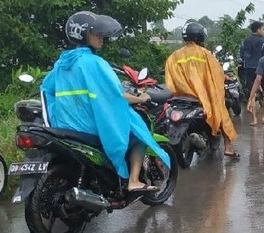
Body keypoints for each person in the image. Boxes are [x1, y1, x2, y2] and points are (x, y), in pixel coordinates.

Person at [41, 11, 171, 193]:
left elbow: (46, 90)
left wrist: (54, 119)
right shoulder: (95, 63)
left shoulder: (61, 65)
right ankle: (133, 181)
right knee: (138, 135)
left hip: (65, 127)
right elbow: (116, 96)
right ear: (85, 34)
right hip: (90, 126)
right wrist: (140, 98)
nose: (101, 37)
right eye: (97, 33)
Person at [165, 22, 239, 158]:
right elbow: (216, 75)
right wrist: (224, 78)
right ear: (200, 36)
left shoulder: (173, 56)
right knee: (221, 111)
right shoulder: (205, 54)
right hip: (201, 98)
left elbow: (170, 81)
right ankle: (228, 147)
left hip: (179, 98)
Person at [240, 21, 264, 126]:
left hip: (248, 69)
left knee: (252, 94)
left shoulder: (245, 41)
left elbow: (242, 56)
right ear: (258, 29)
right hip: (261, 70)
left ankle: (254, 119)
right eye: (263, 29)